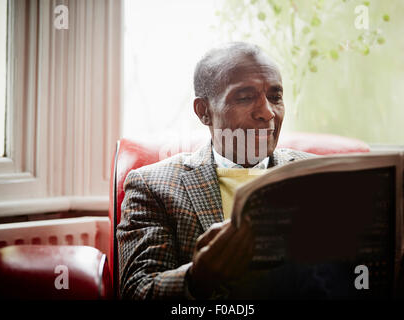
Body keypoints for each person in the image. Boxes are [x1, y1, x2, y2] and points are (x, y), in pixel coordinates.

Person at [116, 42, 314, 299]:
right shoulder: (153, 186)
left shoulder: (318, 177)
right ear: (203, 111)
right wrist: (198, 278)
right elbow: (137, 291)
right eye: (244, 97)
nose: (268, 112)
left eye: (275, 97)